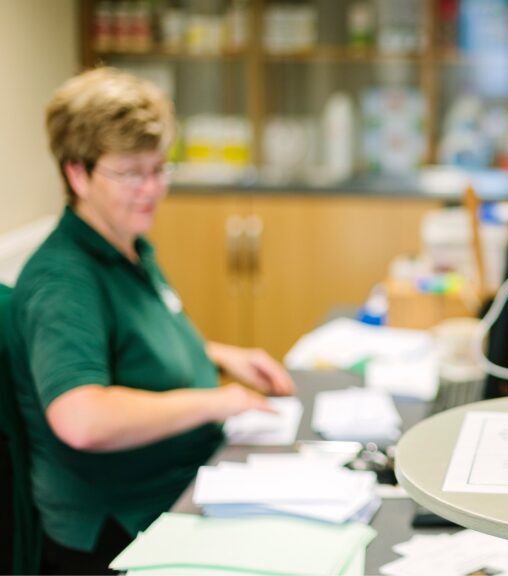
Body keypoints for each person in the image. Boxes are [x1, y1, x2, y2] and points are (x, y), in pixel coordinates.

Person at [8, 67, 295, 574]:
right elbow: (81, 417)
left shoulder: (126, 244)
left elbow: (132, 341)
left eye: (160, 168)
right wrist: (215, 400)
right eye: (131, 173)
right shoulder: (64, 279)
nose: (152, 189)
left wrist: (222, 356)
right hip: (121, 529)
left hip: (180, 488)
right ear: (77, 173)